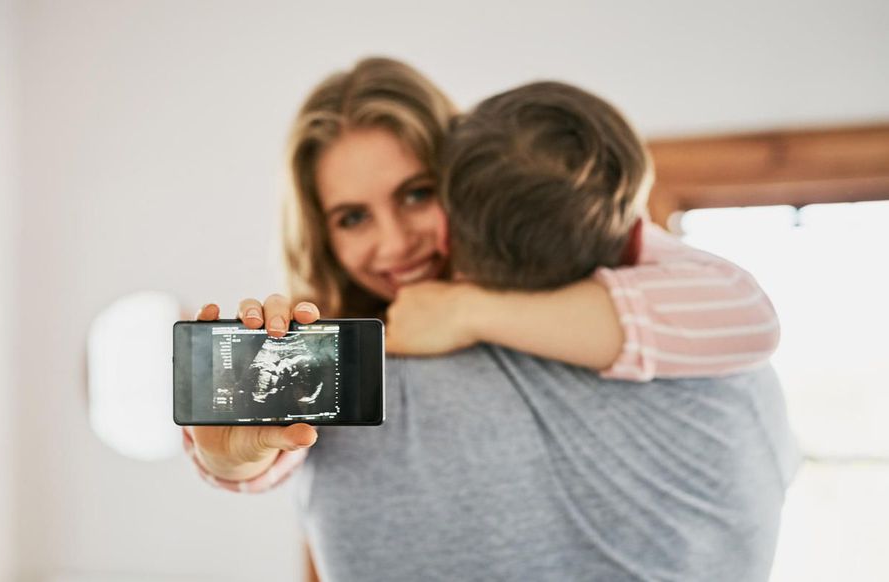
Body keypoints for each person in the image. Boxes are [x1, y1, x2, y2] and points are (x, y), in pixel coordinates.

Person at [184, 59, 798, 580]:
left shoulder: (607, 266)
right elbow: (264, 455)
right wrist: (231, 458)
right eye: (353, 218)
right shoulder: (352, 350)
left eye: (416, 193)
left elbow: (743, 312)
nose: (395, 244)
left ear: (464, 179)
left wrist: (468, 312)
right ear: (323, 236)